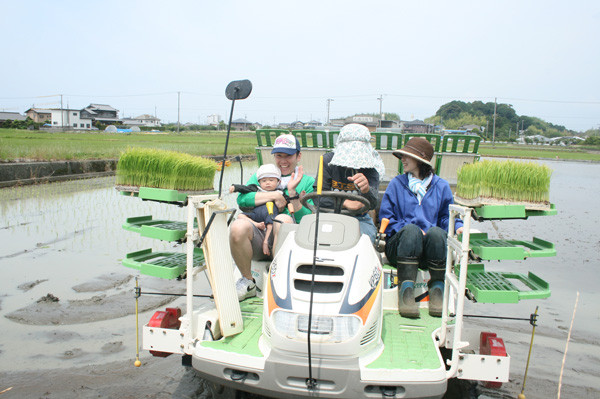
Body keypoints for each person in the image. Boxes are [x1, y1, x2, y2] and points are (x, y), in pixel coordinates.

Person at [379, 137, 464, 318]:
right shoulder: (396, 184)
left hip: (429, 252)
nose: (402, 159)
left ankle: (437, 290)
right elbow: (387, 218)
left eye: (407, 156)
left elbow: (446, 216)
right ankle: (406, 291)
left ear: (421, 161)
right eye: (402, 156)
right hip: (401, 248)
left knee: (436, 233)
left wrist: (458, 226)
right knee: (411, 231)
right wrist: (416, 230)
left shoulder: (441, 186)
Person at [230, 134, 315, 301]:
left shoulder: (307, 181)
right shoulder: (262, 174)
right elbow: (242, 199)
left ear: (298, 156)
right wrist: (275, 196)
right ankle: (248, 281)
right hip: (260, 234)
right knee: (237, 226)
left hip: (290, 242)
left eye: (288, 156)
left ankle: (279, 281)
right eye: (279, 156)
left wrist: (292, 195)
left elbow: (310, 218)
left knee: (282, 221)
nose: (283, 161)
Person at [315, 123, 384, 243]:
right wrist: (345, 202)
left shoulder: (372, 167)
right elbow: (318, 197)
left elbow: (373, 203)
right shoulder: (326, 161)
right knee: (316, 238)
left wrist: (367, 190)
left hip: (359, 219)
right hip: (327, 216)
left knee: (362, 239)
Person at [229, 163, 282, 257]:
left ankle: (266, 242)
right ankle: (256, 224)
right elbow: (245, 188)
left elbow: (288, 201)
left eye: (271, 180)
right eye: (264, 181)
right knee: (240, 216)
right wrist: (235, 187)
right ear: (259, 182)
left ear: (278, 181)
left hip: (269, 214)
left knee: (271, 224)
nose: (268, 183)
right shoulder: (256, 189)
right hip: (256, 214)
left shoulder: (279, 192)